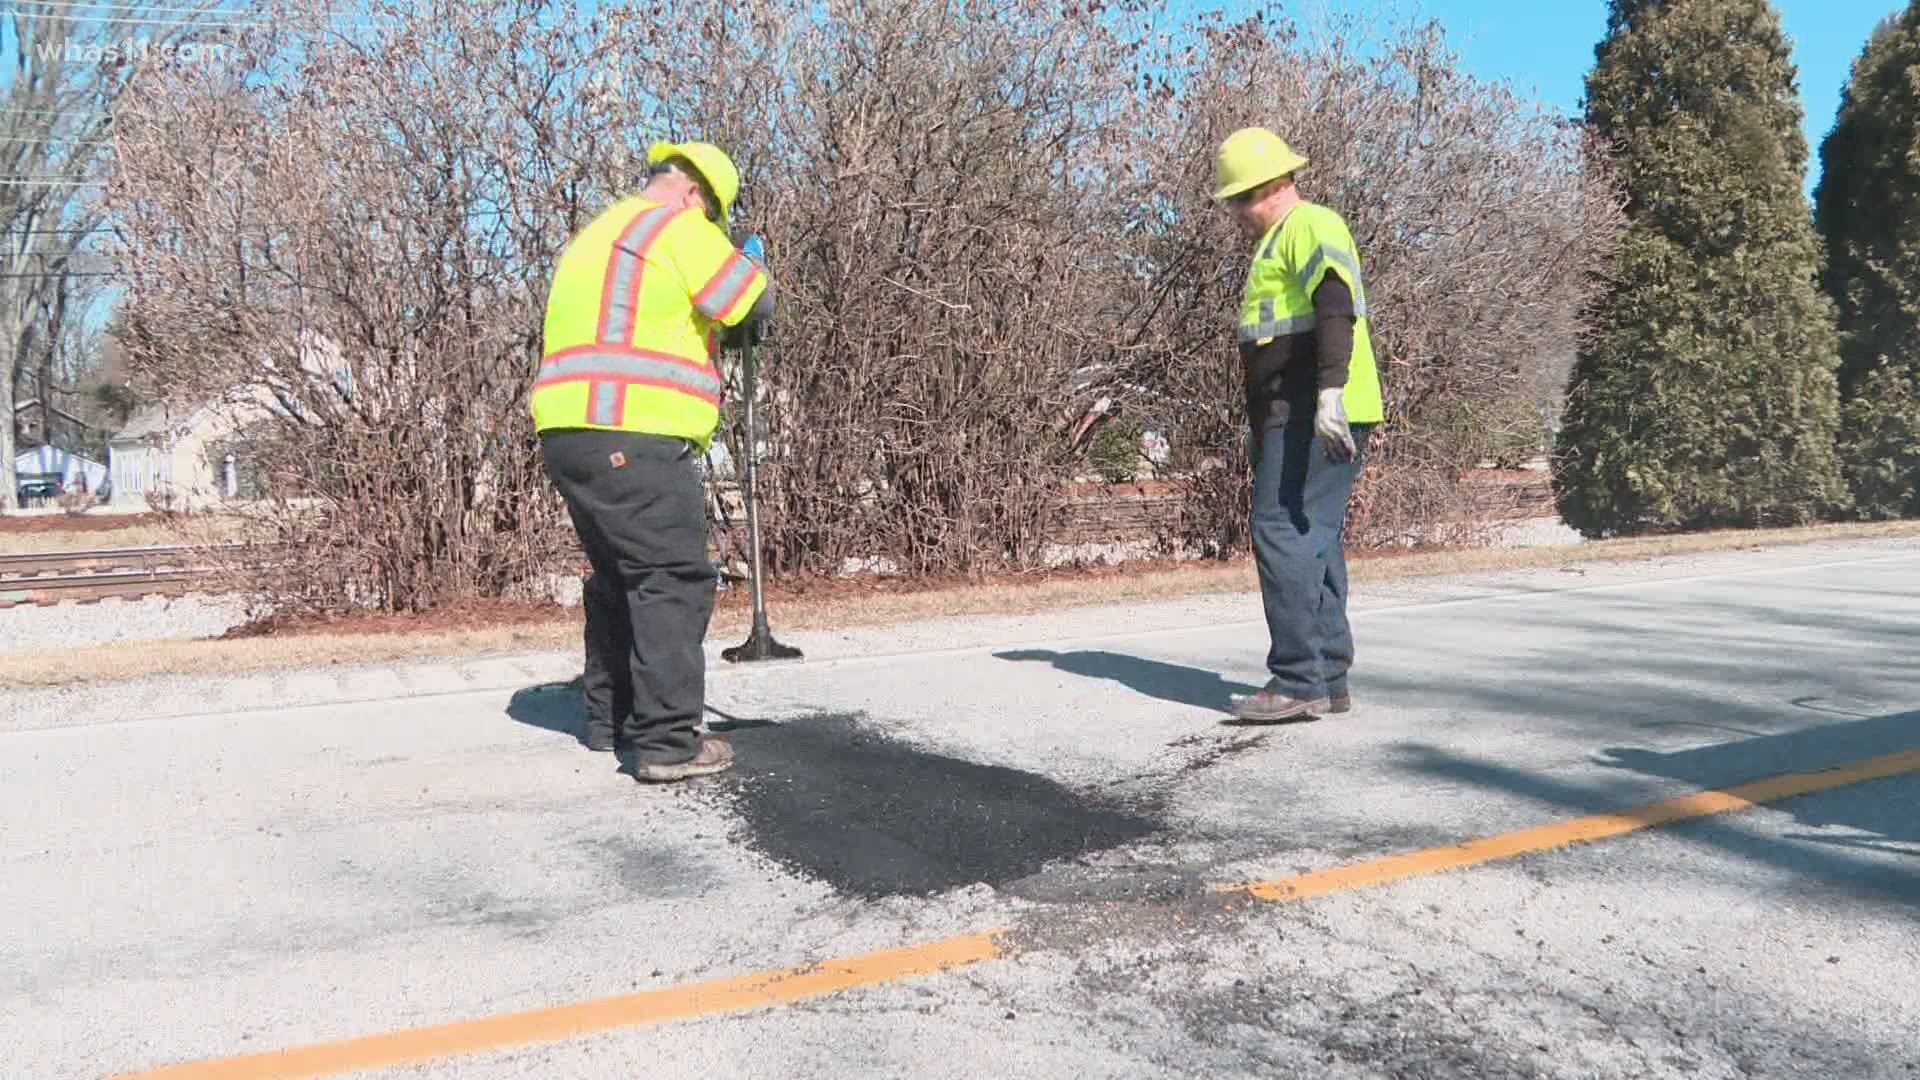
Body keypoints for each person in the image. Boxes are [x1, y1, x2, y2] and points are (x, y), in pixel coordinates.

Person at [533, 140, 772, 781]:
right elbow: (746, 305)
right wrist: (751, 266)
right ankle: (667, 741)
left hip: (567, 432)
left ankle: (608, 720)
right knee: (671, 577)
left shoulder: (598, 233)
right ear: (697, 194)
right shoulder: (679, 228)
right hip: (635, 431)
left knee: (619, 579)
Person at [1210, 127, 1385, 723]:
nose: (1234, 214)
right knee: (1312, 532)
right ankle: (1327, 674)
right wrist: (1257, 421)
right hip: (1299, 412)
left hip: (1315, 410)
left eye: (1237, 200)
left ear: (1267, 188)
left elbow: (1335, 305)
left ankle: (1297, 679)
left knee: (1280, 528)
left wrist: (1330, 392)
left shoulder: (1311, 225)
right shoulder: (1282, 239)